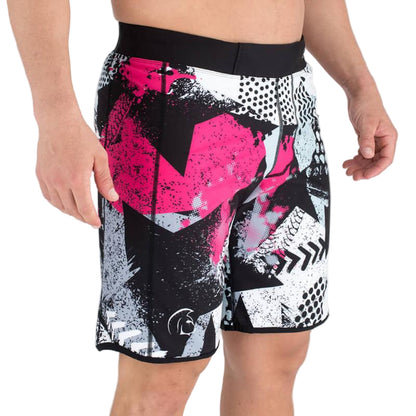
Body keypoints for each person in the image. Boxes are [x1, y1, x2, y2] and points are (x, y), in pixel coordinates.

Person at [6, 0, 397, 415]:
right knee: (165, 370)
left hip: (291, 103)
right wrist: (55, 115)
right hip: (169, 94)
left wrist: (361, 86)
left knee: (278, 350)